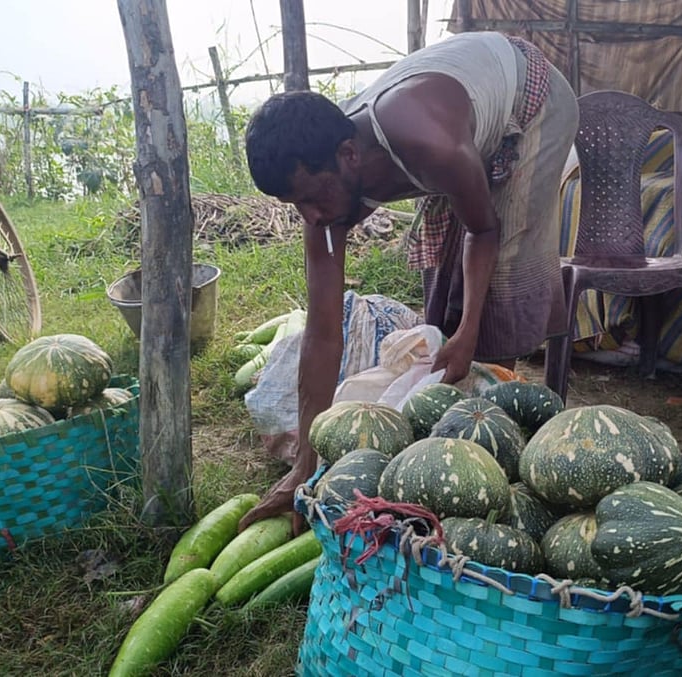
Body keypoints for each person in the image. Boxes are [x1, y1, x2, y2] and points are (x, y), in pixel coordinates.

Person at [238, 31, 578, 530]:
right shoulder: (325, 184)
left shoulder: (428, 143)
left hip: (532, 97)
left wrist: (468, 336)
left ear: (349, 157)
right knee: (443, 290)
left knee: (499, 282)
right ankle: (453, 431)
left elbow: (483, 230)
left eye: (314, 197)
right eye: (296, 206)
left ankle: (493, 451)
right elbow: (323, 330)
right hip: (460, 119)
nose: (310, 215)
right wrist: (304, 467)